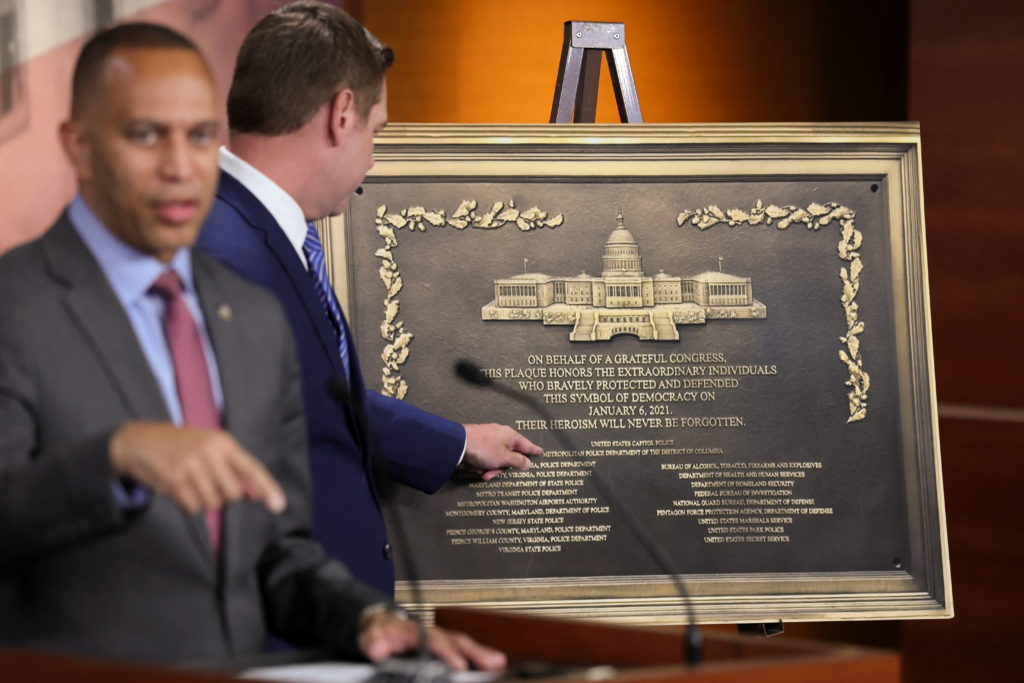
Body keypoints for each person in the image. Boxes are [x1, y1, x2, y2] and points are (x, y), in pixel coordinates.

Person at [0, 22, 502, 670]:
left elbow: (276, 551)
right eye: (146, 135)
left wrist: (365, 618)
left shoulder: (254, 321)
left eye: (201, 135)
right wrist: (116, 459)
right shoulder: (16, 303)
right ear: (80, 146)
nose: (181, 166)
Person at [197, 1, 543, 597]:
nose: (374, 157)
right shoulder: (223, 249)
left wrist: (452, 441)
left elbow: (307, 394)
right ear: (342, 113)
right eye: (377, 131)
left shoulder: (251, 229)